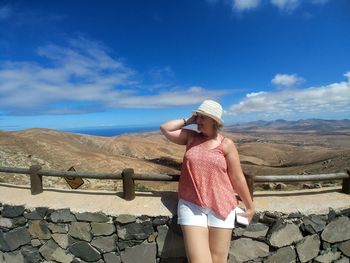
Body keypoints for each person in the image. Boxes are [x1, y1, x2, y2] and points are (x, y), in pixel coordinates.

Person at [160, 99, 255, 263]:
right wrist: (188, 120)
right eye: (198, 117)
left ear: (215, 121)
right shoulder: (191, 137)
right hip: (191, 204)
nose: (198, 121)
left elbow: (237, 177)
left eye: (203, 117)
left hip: (221, 203)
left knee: (218, 260)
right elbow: (165, 128)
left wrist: (250, 206)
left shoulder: (226, 144)